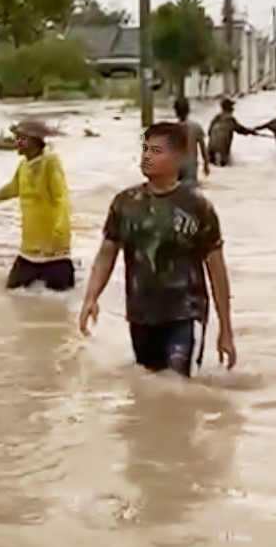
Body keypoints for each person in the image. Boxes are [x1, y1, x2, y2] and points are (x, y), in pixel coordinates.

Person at [78, 122, 238, 377]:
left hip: (185, 314)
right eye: (144, 149)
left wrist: (226, 329)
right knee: (149, 386)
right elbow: (107, 253)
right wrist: (91, 297)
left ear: (177, 159)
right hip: (141, 315)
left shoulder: (197, 207)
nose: (146, 156)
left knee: (178, 385)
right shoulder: (125, 203)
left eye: (155, 151)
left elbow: (216, 269)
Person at [0, 120, 74, 291]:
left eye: (20, 137)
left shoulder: (50, 162)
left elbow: (61, 198)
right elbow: (12, 189)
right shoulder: (24, 166)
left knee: (57, 301)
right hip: (29, 249)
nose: (16, 142)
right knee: (14, 293)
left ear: (33, 141)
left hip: (54, 249)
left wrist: (59, 229)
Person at [208, 98, 255, 167]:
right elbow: (240, 129)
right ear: (229, 108)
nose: (233, 108)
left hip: (211, 145)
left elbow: (209, 131)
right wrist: (251, 131)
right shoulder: (230, 119)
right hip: (222, 146)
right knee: (224, 164)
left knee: (212, 164)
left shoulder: (216, 118)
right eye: (232, 106)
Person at [174, 98, 209, 186]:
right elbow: (203, 148)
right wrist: (206, 164)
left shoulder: (171, 129)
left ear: (175, 112)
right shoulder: (196, 127)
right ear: (188, 110)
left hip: (176, 165)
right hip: (190, 165)